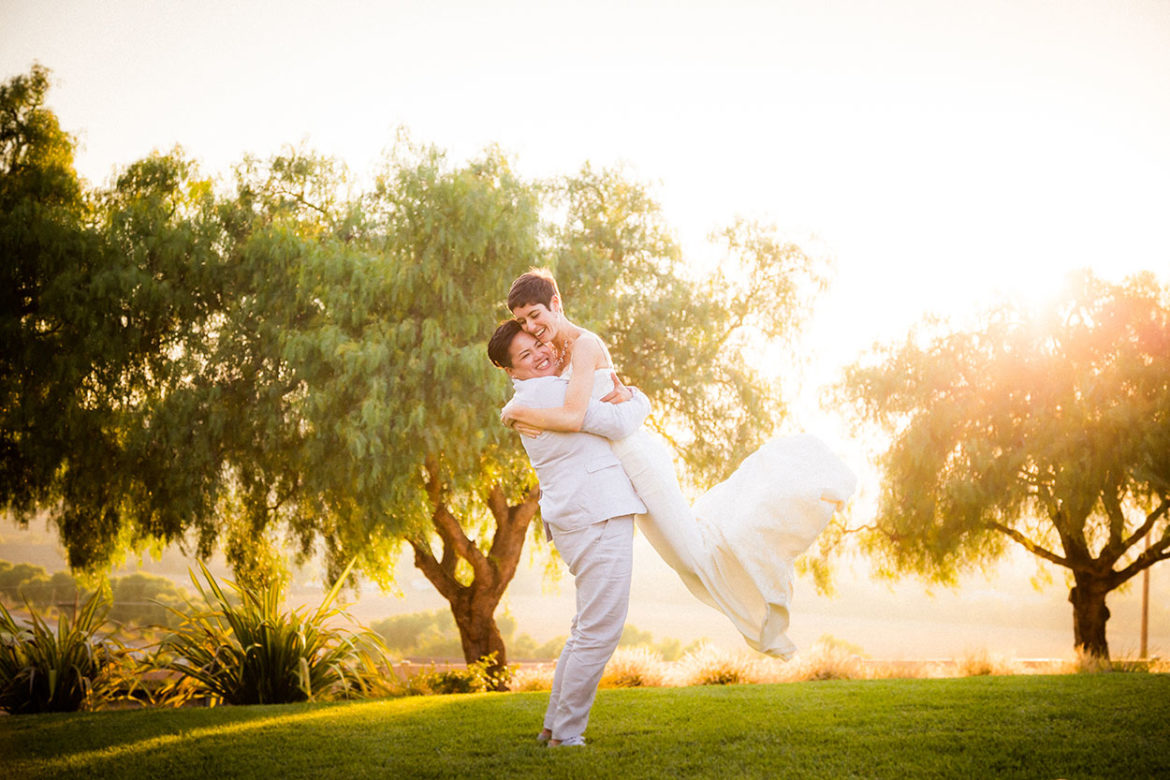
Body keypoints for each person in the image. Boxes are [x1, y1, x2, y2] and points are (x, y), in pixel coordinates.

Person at [501, 269, 858, 659]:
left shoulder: (584, 346)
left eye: (535, 315)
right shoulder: (562, 352)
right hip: (620, 468)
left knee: (692, 556)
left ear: (556, 303)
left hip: (636, 456)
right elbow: (577, 399)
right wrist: (518, 409)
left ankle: (785, 509)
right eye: (522, 321)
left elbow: (573, 416)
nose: (531, 327)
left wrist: (518, 413)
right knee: (685, 560)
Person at [488, 319, 652, 748]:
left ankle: (552, 728)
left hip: (582, 515)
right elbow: (619, 420)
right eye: (525, 355)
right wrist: (640, 397)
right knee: (600, 631)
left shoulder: (532, 397)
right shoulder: (549, 394)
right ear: (512, 371)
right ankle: (567, 735)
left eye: (538, 344)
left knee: (585, 630)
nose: (540, 354)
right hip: (595, 514)